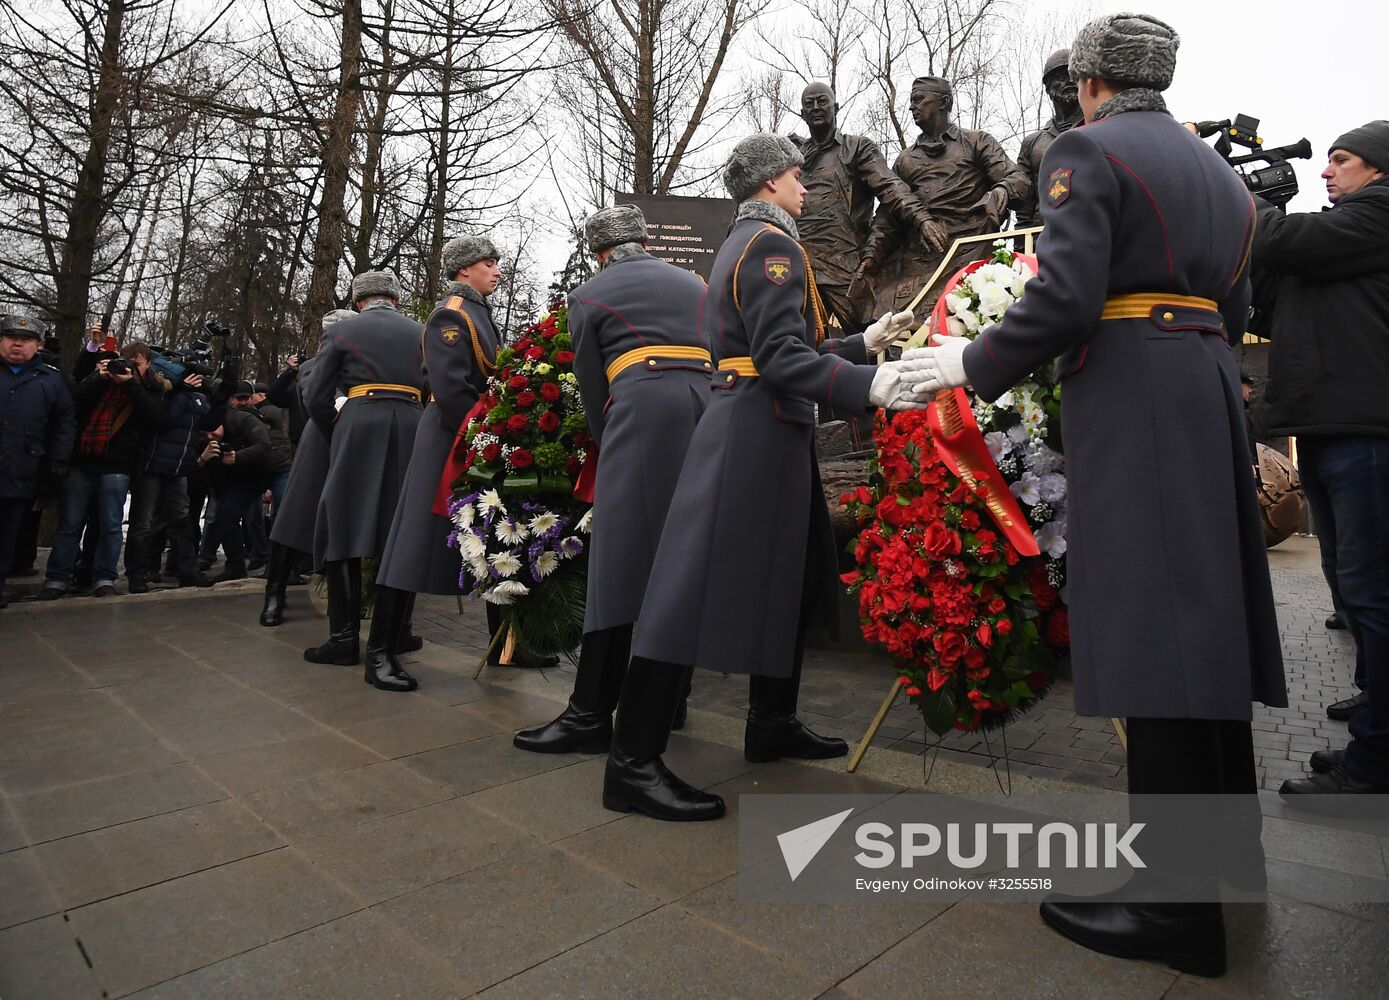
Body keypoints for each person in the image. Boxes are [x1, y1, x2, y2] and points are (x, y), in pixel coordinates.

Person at [897, 14, 1287, 977]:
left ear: (1086, 81)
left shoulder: (1086, 150)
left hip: (1133, 390)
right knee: (1203, 626)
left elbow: (1067, 298)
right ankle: (1225, 857)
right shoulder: (1221, 177)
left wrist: (968, 361)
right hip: (1201, 385)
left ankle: (1173, 907)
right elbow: (1237, 308)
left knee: (1155, 633)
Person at [628, 134, 923, 821]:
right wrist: (870, 384)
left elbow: (791, 348)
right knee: (688, 592)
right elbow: (780, 358)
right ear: (768, 183)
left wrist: (863, 342)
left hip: (765, 428)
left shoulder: (753, 241)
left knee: (789, 576)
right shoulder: (770, 247)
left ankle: (771, 721)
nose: (805, 186)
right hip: (753, 433)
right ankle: (633, 760)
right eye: (795, 175)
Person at [514, 204, 711, 757]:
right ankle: (672, 700)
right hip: (704, 415)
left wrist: (612, 444)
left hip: (639, 414)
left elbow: (592, 382)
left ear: (599, 252)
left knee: (616, 564)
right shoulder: (694, 284)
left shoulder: (589, 295)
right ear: (645, 240)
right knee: (682, 556)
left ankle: (590, 713)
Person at [1249, 120, 1389, 802]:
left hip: (1369, 435)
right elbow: (1270, 300)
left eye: (1341, 159)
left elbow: (1280, 237)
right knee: (1348, 583)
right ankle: (1375, 708)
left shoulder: (1379, 213)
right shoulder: (1340, 244)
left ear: (1379, 169)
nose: (1326, 171)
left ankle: (1378, 757)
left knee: (1372, 590)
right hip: (1333, 430)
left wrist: (1242, 196)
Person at [368, 241, 504, 692]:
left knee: (494, 536)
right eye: (488, 263)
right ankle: (380, 652)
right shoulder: (452, 314)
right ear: (464, 270)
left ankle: (507, 647)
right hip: (451, 436)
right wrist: (483, 433)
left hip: (470, 434)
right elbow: (449, 387)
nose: (496, 271)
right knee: (412, 542)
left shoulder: (478, 312)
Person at [302, 270, 425, 667]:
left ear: (358, 301)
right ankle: (397, 634)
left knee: (342, 528)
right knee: (400, 533)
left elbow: (315, 395)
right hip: (411, 425)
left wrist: (336, 432)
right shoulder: (422, 333)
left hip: (358, 424)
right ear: (395, 298)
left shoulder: (342, 331)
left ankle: (343, 639)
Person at [853, 75, 1027, 316]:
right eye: (911, 101)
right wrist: (872, 254)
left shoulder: (976, 142)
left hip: (968, 251)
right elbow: (887, 219)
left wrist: (1001, 191)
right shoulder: (906, 160)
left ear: (944, 102)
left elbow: (1019, 179)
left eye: (918, 99)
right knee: (878, 305)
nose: (912, 107)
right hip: (919, 259)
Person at [791, 82, 943, 330]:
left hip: (843, 265)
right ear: (802, 113)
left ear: (836, 107)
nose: (816, 107)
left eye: (822, 101)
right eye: (809, 103)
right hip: (799, 263)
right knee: (798, 337)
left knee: (868, 338)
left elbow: (890, 187)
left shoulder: (856, 148)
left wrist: (921, 219)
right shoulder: (793, 155)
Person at [41, 341, 166, 598]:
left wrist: (130, 384)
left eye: (137, 364)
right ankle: (57, 577)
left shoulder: (149, 387)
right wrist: (100, 377)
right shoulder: (100, 381)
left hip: (118, 464)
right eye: (125, 362)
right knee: (70, 523)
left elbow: (154, 419)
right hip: (82, 461)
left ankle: (104, 577)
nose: (129, 368)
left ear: (148, 365)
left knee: (110, 525)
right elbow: (75, 403)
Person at [260, 308, 355, 626]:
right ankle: (275, 592)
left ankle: (343, 593)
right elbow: (315, 392)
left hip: (352, 443)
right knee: (293, 518)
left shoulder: (360, 367)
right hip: (319, 444)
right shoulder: (314, 365)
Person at [0, 316, 74, 609]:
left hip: (21, 468)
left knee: (8, 531)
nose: (17, 344)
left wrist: (59, 457)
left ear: (39, 345)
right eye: (11, 338)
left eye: (25, 339)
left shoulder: (51, 380)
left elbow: (65, 422)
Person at [124, 364, 215, 592]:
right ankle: (138, 574)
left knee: (182, 521)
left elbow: (211, 421)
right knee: (143, 523)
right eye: (196, 376)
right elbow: (165, 422)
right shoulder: (166, 394)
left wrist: (219, 397)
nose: (200, 381)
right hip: (153, 466)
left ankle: (188, 571)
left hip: (179, 469)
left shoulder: (198, 399)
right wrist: (181, 392)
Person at [1015, 49, 1084, 228]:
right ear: (1048, 87)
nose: (1069, 81)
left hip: (1092, 229)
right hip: (1045, 235)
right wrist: (1023, 241)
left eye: (1073, 75)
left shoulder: (1100, 127)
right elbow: (1024, 207)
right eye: (1060, 77)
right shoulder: (1032, 143)